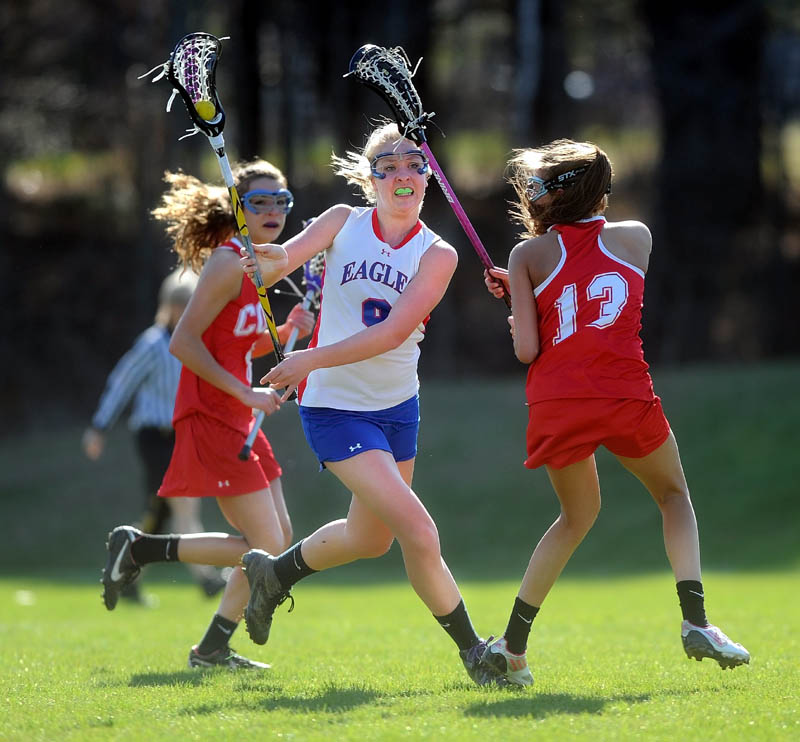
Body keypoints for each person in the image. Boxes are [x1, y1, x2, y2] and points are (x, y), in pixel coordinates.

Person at [237, 122, 505, 687]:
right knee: (419, 530)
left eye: (414, 164)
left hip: (396, 407)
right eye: (389, 165)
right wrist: (261, 261)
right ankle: (476, 655)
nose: (403, 174)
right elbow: (284, 258)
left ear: (428, 177)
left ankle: (274, 576)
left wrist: (308, 358)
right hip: (335, 408)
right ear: (371, 178)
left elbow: (392, 335)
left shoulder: (440, 254)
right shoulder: (341, 221)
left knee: (371, 538)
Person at [482, 138, 750, 687]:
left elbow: (529, 350)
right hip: (624, 394)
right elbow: (591, 291)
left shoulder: (525, 256)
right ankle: (696, 621)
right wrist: (528, 297)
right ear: (601, 195)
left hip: (558, 402)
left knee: (575, 518)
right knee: (673, 497)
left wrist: (519, 303)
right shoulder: (636, 238)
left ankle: (511, 647)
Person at [99, 159, 315, 670]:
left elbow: (236, 342)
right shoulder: (227, 263)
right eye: (258, 201)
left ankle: (213, 645)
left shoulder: (260, 266)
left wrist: (285, 333)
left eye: (280, 202)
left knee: (275, 541)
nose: (272, 211)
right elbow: (184, 342)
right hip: (211, 414)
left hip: (238, 413)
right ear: (238, 208)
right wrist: (246, 394)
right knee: (264, 544)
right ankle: (141, 551)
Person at [84, 268, 227, 602]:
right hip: (156, 436)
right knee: (185, 508)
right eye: (177, 305)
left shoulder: (201, 342)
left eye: (188, 304)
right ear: (167, 306)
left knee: (160, 514)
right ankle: (206, 578)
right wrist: (99, 426)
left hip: (186, 436)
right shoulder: (152, 344)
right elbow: (122, 382)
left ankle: (128, 572)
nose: (181, 311)